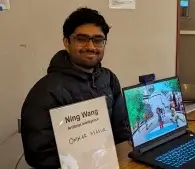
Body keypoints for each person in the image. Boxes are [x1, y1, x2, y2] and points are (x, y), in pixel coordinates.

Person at [20, 7, 130, 169]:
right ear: (67, 42)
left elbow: (121, 129)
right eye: (81, 39)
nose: (91, 46)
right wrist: (83, 156)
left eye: (98, 40)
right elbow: (38, 155)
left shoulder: (109, 78)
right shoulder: (45, 92)